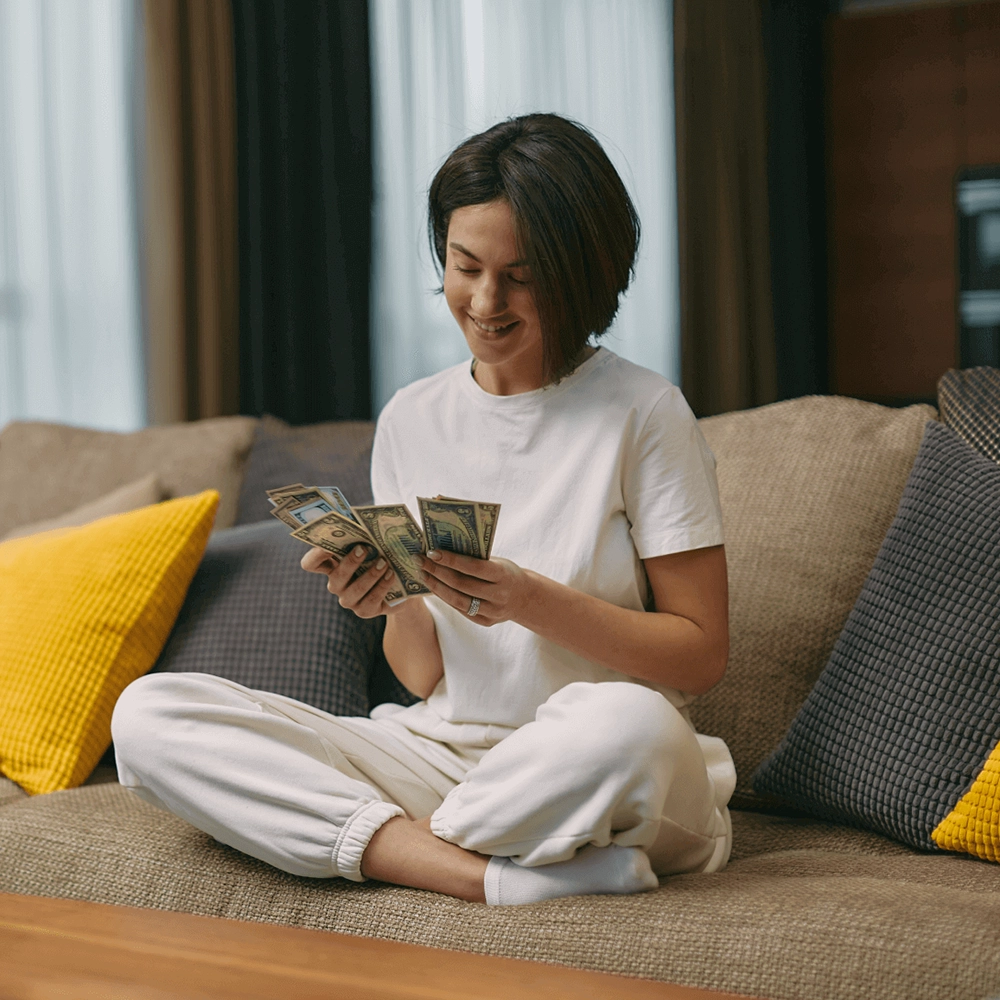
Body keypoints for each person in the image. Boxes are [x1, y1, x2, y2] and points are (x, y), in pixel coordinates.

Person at [112, 113, 736, 907]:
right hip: (443, 752)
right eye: (464, 264)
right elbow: (424, 675)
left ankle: (404, 840)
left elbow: (699, 654)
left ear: (585, 268)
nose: (484, 300)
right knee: (150, 716)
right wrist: (391, 600)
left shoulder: (645, 413)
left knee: (628, 726)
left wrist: (529, 600)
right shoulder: (413, 416)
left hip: (604, 764)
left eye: (522, 274)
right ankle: (484, 873)